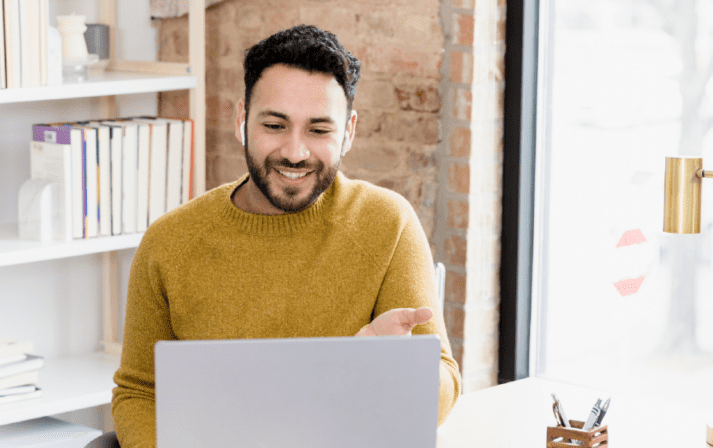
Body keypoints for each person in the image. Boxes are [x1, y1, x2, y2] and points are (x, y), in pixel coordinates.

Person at [108, 24, 461, 448]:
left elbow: (445, 384)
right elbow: (139, 393)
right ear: (242, 119)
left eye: (318, 130)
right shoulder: (169, 243)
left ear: (348, 132)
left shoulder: (388, 224)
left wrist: (385, 368)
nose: (295, 152)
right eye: (275, 125)